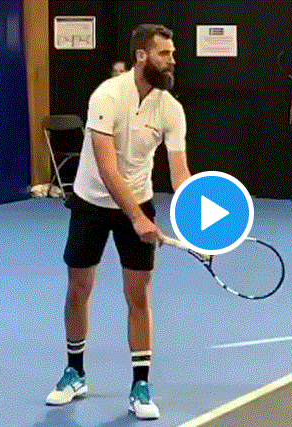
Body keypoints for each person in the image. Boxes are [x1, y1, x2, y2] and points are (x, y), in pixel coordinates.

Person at [45, 24, 191, 420]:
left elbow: (179, 173)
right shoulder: (107, 96)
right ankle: (75, 373)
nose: (172, 61)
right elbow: (108, 170)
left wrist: (197, 223)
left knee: (138, 295)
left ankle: (140, 385)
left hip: (138, 200)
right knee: (79, 288)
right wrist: (138, 218)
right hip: (92, 202)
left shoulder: (171, 109)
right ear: (142, 56)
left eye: (172, 54)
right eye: (164, 54)